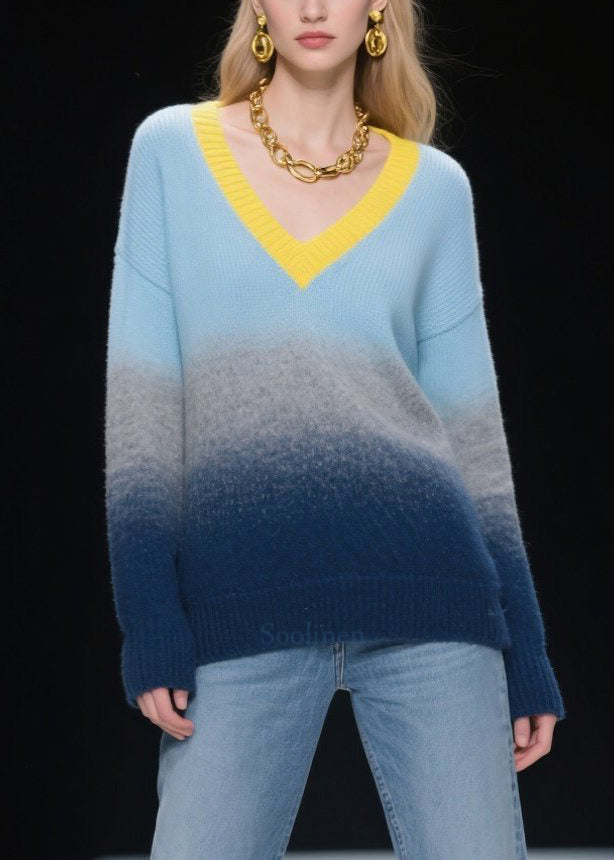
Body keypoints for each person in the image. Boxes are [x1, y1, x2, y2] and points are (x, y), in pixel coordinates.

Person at [104, 1, 566, 856]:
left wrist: (527, 648)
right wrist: (150, 617)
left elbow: (473, 435)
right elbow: (142, 411)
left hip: (433, 600)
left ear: (379, 8)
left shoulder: (435, 188)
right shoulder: (172, 150)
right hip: (240, 604)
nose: (315, 7)